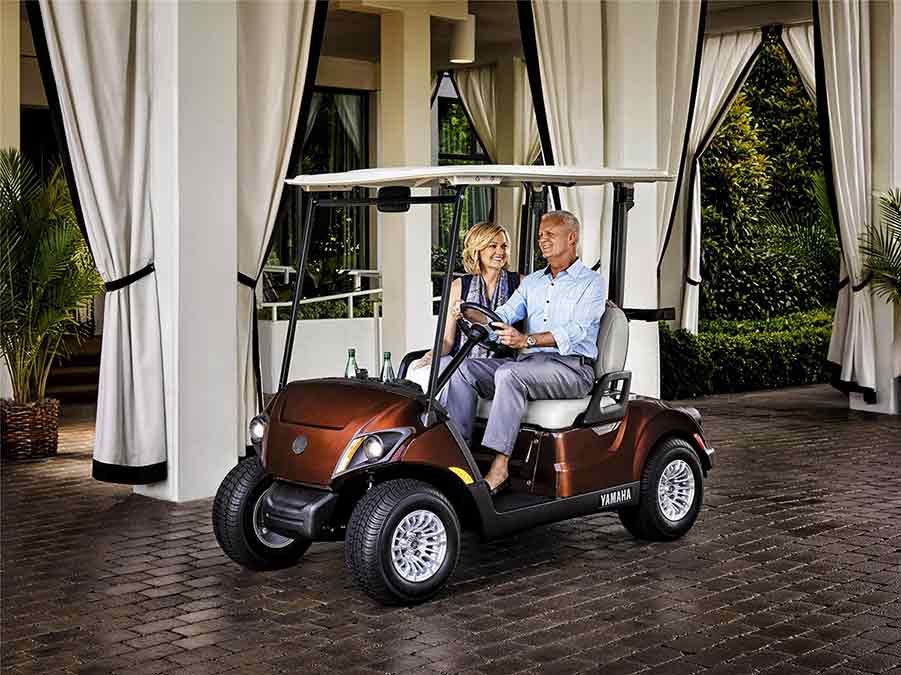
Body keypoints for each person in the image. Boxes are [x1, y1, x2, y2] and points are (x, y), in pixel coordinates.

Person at [445, 210, 606, 495]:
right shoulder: (533, 282)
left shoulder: (591, 282)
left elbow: (577, 330)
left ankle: (500, 468)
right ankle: (459, 459)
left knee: (509, 373)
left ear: (572, 238)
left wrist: (527, 340)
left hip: (571, 368)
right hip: (530, 365)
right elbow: (504, 314)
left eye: (550, 234)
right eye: (541, 235)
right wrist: (474, 315)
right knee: (464, 369)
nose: (542, 240)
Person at [407, 221, 521, 395]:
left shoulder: (520, 283)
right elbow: (447, 341)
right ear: (477, 249)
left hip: (502, 362)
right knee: (417, 371)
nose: (500, 252)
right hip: (463, 357)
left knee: (456, 374)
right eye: (493, 246)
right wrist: (429, 356)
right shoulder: (459, 286)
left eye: (504, 246)